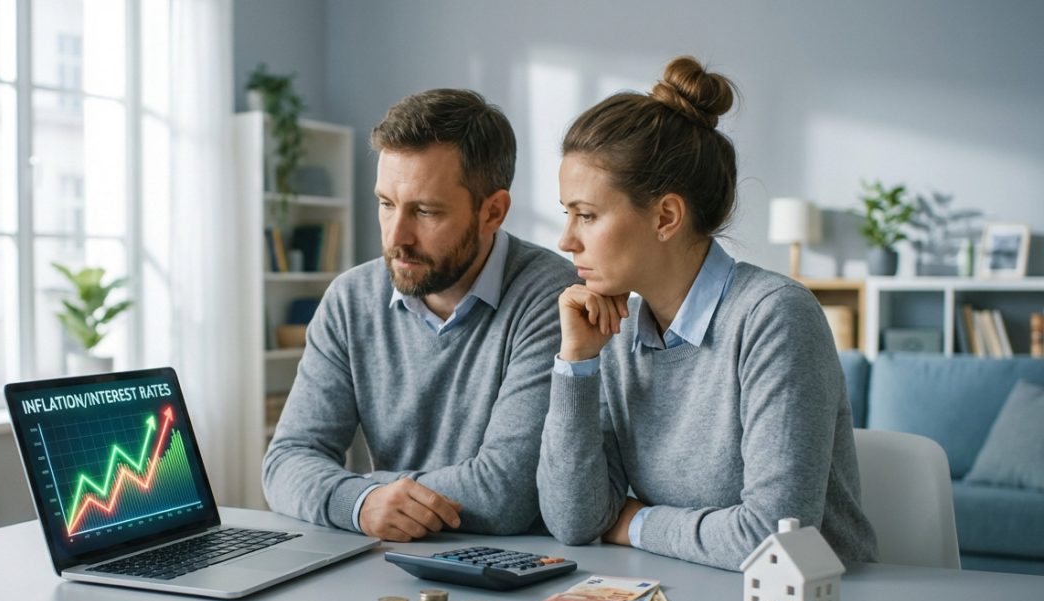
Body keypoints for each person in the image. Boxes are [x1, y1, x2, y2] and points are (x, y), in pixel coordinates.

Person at [537, 56, 878, 571]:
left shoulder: (774, 318)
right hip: (692, 600)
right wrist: (577, 365)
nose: (566, 240)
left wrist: (635, 522)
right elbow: (574, 519)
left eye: (586, 215)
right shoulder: (615, 333)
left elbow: (773, 540)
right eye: (567, 214)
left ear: (665, 216)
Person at [262, 88, 577, 542]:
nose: (396, 236)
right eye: (386, 204)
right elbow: (286, 460)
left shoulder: (552, 297)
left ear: (493, 212)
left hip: (516, 573)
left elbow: (506, 492)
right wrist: (362, 504)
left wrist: (367, 492)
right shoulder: (350, 300)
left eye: (424, 211)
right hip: (385, 566)